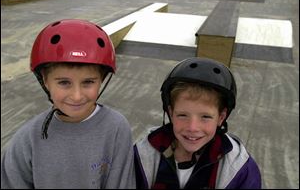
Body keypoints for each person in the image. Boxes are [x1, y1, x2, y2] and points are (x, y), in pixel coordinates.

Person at [1, 19, 136, 189]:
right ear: (45, 81)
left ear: (101, 80)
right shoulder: (27, 141)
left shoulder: (116, 129)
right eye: (64, 83)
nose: (77, 96)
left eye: (88, 82)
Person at [134, 57, 261, 189]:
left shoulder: (240, 169)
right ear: (171, 113)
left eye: (205, 117)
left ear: (221, 117)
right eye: (182, 115)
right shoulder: (143, 156)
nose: (192, 127)